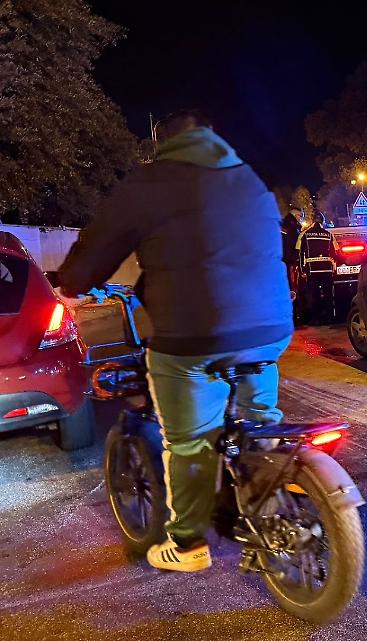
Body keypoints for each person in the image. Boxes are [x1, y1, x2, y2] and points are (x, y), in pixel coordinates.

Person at [58, 110, 293, 573]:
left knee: (188, 441)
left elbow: (91, 258)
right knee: (260, 423)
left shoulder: (150, 184)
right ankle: (270, 487)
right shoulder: (249, 179)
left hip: (191, 337)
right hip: (270, 328)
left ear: (161, 145)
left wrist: (71, 283)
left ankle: (187, 546)